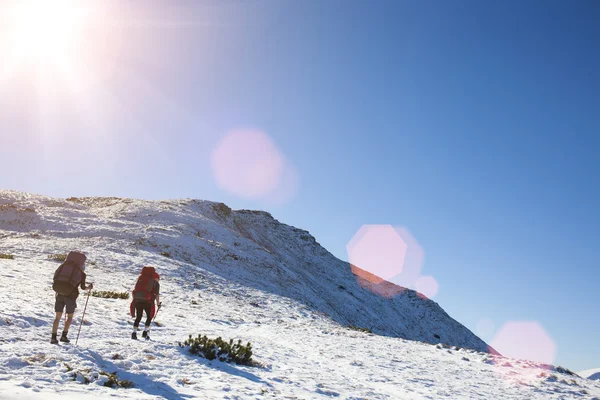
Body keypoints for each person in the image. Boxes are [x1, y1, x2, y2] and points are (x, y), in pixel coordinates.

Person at [51, 251, 93, 344]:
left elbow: (55, 278)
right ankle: (64, 336)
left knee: (57, 317)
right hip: (71, 297)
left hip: (59, 294)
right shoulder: (81, 273)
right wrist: (89, 288)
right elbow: (83, 288)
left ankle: (53, 338)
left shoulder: (62, 267)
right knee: (69, 317)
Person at [130, 266, 161, 340]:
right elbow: (156, 295)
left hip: (137, 300)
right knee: (149, 317)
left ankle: (134, 333)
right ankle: (145, 332)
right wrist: (158, 304)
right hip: (148, 301)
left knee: (138, 317)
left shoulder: (141, 279)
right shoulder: (155, 283)